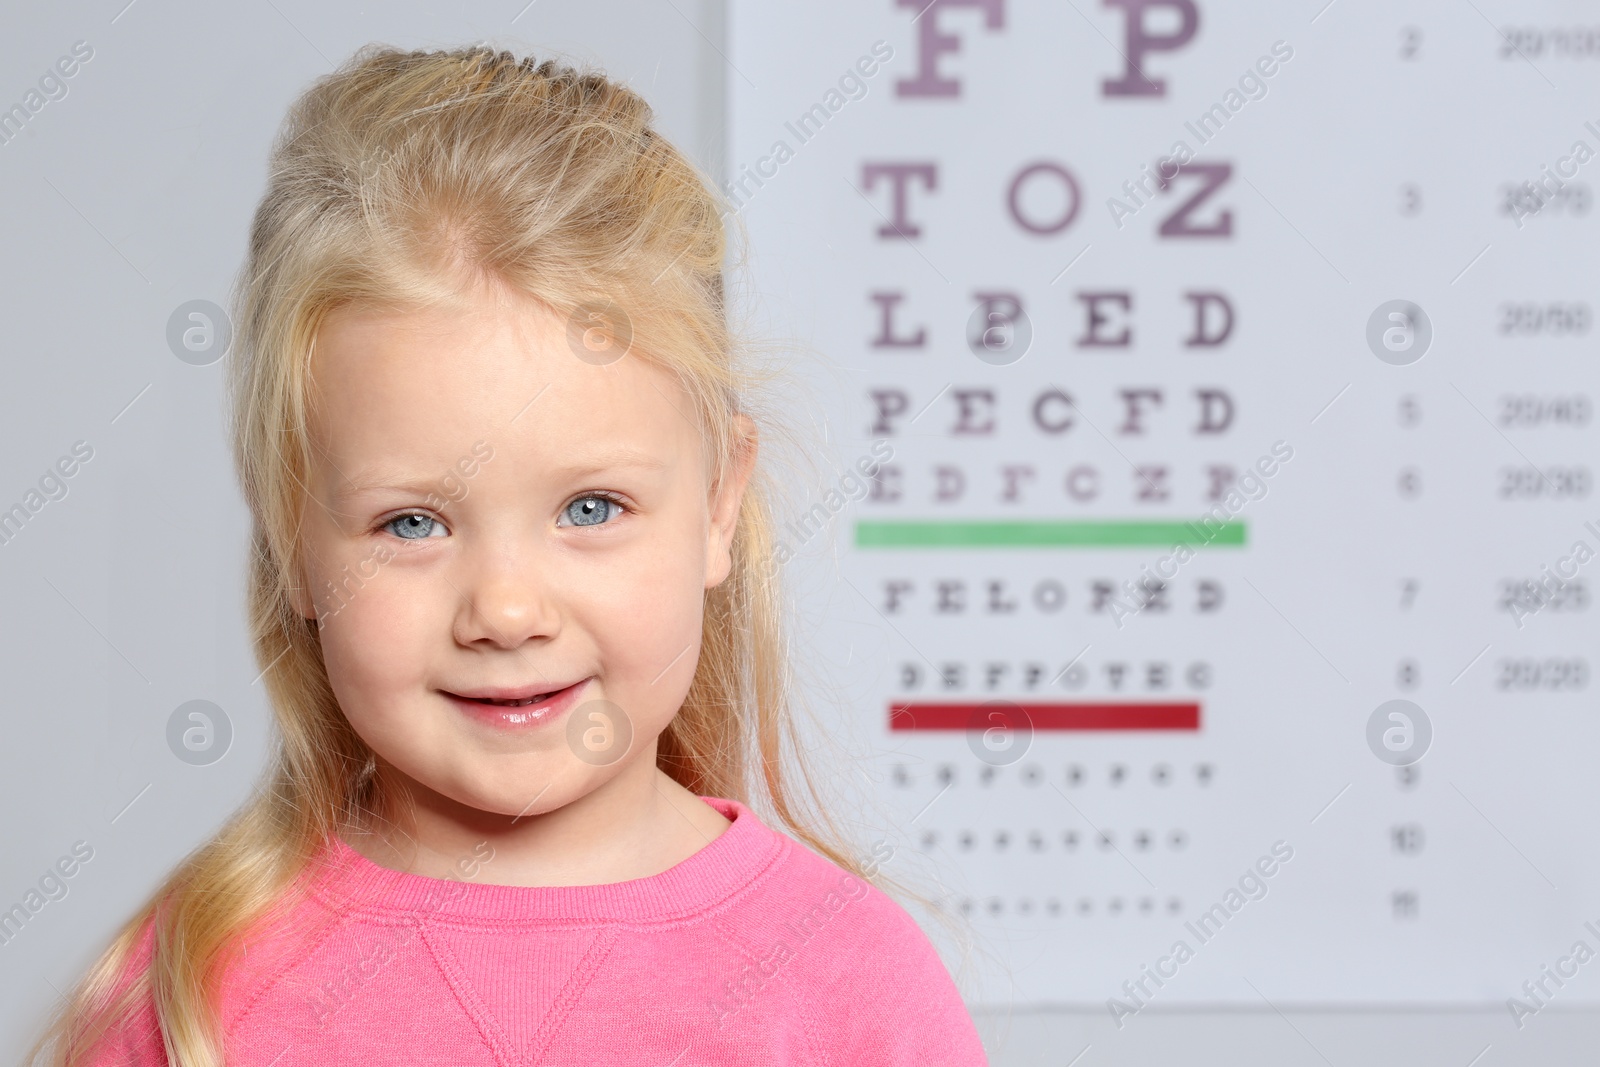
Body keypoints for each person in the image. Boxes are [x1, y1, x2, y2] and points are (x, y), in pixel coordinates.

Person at [26, 42, 989, 1066]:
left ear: (717, 503)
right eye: (412, 523)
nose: (508, 608)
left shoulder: (844, 981)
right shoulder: (193, 988)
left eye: (590, 506)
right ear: (292, 539)